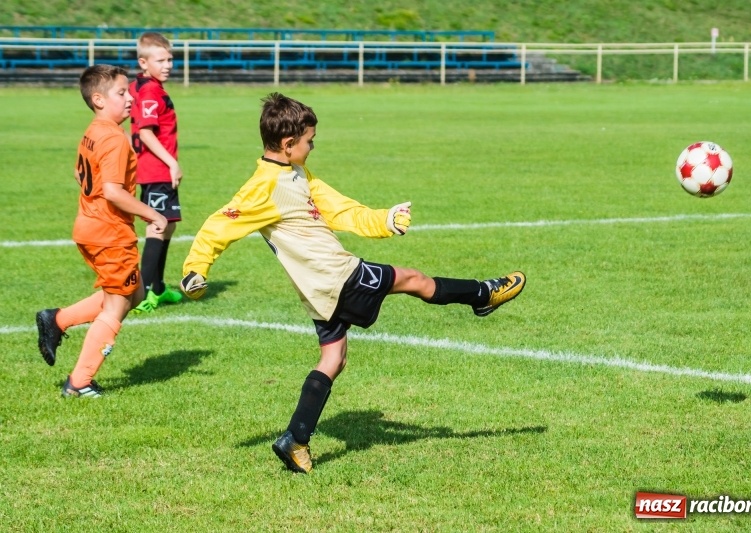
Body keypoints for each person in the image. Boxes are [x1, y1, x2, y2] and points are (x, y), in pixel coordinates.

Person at [180, 92, 526, 473]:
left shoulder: (297, 175)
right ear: (287, 143)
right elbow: (218, 225)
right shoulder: (264, 186)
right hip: (338, 275)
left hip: (317, 291)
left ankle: (295, 440)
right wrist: (196, 268)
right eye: (310, 140)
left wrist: (383, 220)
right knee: (413, 279)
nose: (313, 146)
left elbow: (339, 208)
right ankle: (483, 294)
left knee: (334, 358)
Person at [35, 64, 168, 397]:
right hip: (109, 234)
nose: (130, 99)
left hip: (90, 227)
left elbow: (80, 175)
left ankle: (57, 320)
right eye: (122, 93)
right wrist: (152, 214)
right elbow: (112, 191)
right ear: (98, 99)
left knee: (134, 294)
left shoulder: (93, 131)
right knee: (117, 305)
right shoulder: (113, 138)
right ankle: (79, 383)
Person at [129, 31, 184, 312]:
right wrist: (172, 162)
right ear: (143, 62)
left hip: (154, 170)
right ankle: (146, 292)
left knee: (168, 223)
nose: (168, 65)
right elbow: (146, 132)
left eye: (170, 59)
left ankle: (159, 288)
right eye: (160, 60)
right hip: (156, 170)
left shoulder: (140, 86)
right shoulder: (150, 91)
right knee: (158, 225)